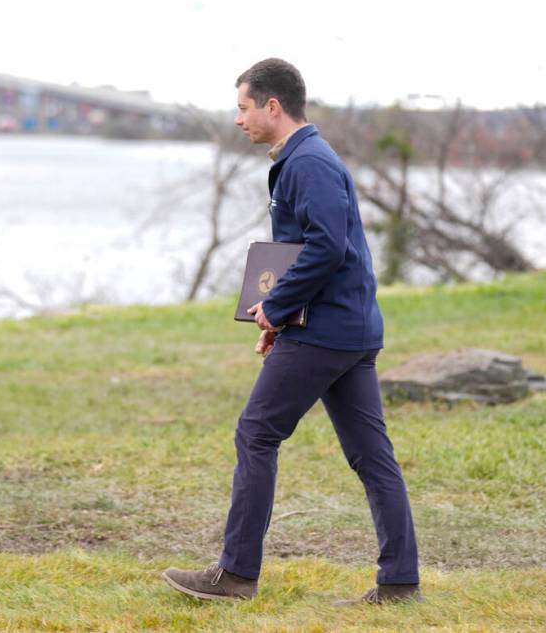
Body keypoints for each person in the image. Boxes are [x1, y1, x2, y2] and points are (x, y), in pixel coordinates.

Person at [162, 58, 421, 605]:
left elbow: (330, 248)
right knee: (371, 456)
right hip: (343, 328)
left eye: (243, 107)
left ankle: (234, 575)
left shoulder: (310, 164)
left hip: (329, 333)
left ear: (272, 106)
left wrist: (277, 308)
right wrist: (277, 317)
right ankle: (399, 584)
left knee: (256, 433)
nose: (238, 120)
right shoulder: (301, 160)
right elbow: (306, 252)